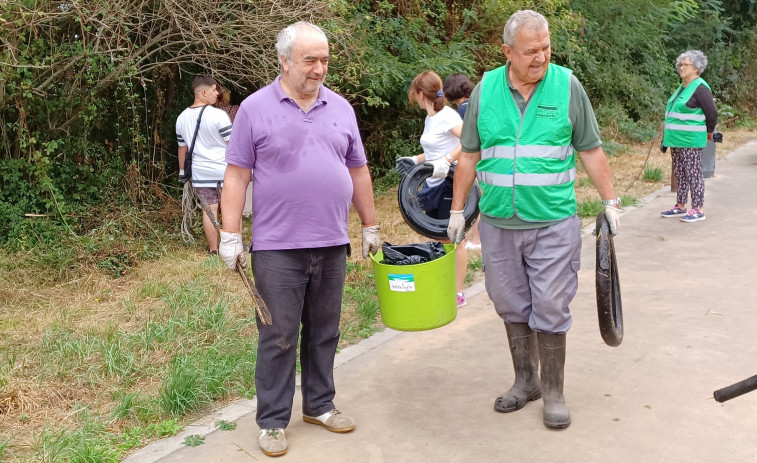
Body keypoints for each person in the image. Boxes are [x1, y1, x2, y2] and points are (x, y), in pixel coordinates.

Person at [446, 10, 621, 429]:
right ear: (507, 51)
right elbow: (468, 155)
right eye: (530, 51)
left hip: (553, 222)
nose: (541, 57)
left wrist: (611, 201)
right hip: (499, 223)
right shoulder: (487, 89)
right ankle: (526, 382)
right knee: (510, 305)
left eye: (546, 48)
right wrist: (457, 210)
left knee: (550, 305)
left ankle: (554, 391)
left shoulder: (567, 86)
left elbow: (591, 149)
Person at [218, 21, 380, 458]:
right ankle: (272, 420)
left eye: (325, 60)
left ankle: (320, 406)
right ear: (285, 61)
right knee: (278, 334)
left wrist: (369, 224)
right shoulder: (254, 109)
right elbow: (237, 174)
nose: (319, 68)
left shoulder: (341, 108)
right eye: (310, 60)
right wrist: (229, 234)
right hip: (276, 248)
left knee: (325, 330)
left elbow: (358, 169)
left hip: (331, 241)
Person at [397, 70, 469, 308]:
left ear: (420, 93)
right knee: (440, 237)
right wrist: (415, 161)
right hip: (434, 181)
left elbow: (469, 141)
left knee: (453, 238)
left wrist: (448, 160)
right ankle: (445, 286)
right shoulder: (431, 118)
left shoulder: (448, 115)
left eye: (413, 94)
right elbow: (434, 150)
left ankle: (458, 293)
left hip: (452, 181)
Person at [176, 75, 233, 254]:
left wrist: (182, 171)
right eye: (215, 90)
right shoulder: (218, 115)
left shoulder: (181, 118)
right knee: (230, 208)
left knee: (209, 210)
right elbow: (232, 144)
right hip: (224, 171)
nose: (217, 94)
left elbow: (182, 149)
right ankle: (232, 247)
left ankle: (213, 249)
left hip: (200, 174)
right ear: (204, 92)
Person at [660, 50, 718, 223]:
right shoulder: (683, 86)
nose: (682, 68)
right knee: (680, 173)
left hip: (691, 140)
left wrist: (708, 131)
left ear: (697, 68)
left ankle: (698, 209)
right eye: (681, 64)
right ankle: (680, 205)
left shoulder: (700, 87)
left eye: (686, 65)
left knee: (693, 174)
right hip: (676, 139)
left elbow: (712, 113)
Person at [443, 73, 482, 251]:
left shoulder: (463, 110)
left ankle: (476, 240)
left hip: (474, 159)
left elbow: (467, 140)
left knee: (476, 199)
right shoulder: (474, 103)